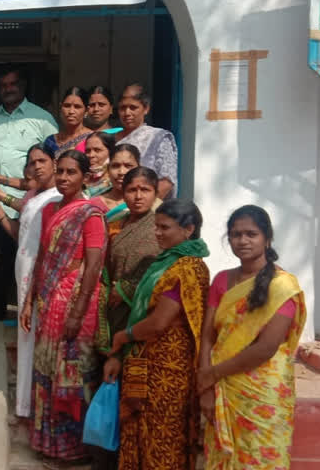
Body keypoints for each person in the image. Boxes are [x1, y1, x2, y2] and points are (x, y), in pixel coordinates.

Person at [104, 199, 210, 470]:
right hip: (147, 361)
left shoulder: (186, 267)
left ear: (189, 229)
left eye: (165, 227)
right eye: (156, 226)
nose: (157, 233)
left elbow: (159, 322)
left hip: (168, 371)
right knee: (142, 432)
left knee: (163, 438)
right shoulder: (164, 262)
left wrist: (122, 337)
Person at [199, 206, 306, 470]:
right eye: (236, 235)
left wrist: (212, 374)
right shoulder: (222, 280)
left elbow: (266, 348)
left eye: (251, 234)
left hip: (262, 391)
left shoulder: (282, 286)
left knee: (261, 457)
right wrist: (205, 386)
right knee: (224, 457)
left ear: (266, 238)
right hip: (221, 385)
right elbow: (208, 336)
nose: (243, 241)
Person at [19, 150, 107, 466]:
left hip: (74, 301)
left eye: (72, 172)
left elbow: (94, 264)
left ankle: (74, 448)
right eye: (61, 172)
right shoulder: (50, 210)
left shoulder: (92, 214)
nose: (64, 178)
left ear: (85, 177)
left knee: (72, 373)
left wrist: (77, 312)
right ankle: (47, 443)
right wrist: (29, 300)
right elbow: (42, 256)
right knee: (46, 371)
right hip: (47, 298)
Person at [0, 144, 61, 418]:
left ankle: (42, 407)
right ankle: (28, 406)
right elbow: (20, 233)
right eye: (32, 162)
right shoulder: (35, 195)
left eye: (43, 160)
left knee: (40, 339)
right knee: (27, 338)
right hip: (25, 274)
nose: (37, 166)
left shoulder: (58, 198)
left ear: (55, 163)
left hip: (43, 277)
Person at [90, 167, 162, 470]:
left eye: (145, 190)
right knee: (106, 393)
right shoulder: (117, 223)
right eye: (132, 190)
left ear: (156, 193)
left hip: (141, 321)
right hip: (112, 316)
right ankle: (105, 457)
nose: (137, 196)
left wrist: (128, 288)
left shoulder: (160, 227)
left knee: (131, 400)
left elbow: (159, 274)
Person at [0, 68, 58, 324]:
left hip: (32, 201)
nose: (8, 89)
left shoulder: (42, 119)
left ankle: (29, 307)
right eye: (3, 85)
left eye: (12, 84)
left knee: (32, 257)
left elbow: (53, 158)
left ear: (22, 86)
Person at [117, 84, 178, 199]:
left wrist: (143, 210)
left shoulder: (158, 138)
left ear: (146, 109)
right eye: (122, 108)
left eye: (133, 107)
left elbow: (167, 182)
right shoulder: (111, 139)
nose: (127, 113)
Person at [95, 143, 142, 228]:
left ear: (139, 168)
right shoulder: (94, 206)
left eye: (128, 166)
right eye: (115, 166)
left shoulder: (149, 204)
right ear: (108, 169)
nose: (121, 172)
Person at [43, 86, 92, 157]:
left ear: (86, 111)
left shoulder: (92, 139)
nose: (71, 111)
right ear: (60, 107)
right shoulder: (51, 141)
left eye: (77, 107)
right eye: (67, 106)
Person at [84, 131, 116, 197]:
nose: (91, 155)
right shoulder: (81, 177)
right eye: (88, 151)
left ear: (110, 152)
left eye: (97, 150)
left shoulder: (116, 180)